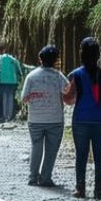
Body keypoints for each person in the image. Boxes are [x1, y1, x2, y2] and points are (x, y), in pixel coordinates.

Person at [63, 36, 101, 199]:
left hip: (81, 120)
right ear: (98, 55)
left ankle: (80, 188)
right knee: (100, 157)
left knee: (81, 155)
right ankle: (99, 190)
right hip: (100, 120)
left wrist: (59, 95)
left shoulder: (76, 75)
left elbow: (69, 98)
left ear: (82, 54)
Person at [21, 44, 68, 187]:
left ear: (40, 59)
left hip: (35, 119)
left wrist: (36, 96)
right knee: (51, 149)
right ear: (55, 60)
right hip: (55, 119)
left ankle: (33, 177)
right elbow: (68, 92)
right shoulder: (58, 76)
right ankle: (46, 178)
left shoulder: (31, 76)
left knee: (36, 146)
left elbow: (23, 98)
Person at [0, 41, 22, 123]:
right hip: (13, 81)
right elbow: (19, 71)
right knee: (10, 98)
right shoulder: (14, 60)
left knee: (4, 98)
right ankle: (9, 116)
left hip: (2, 81)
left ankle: (4, 116)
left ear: (3, 50)